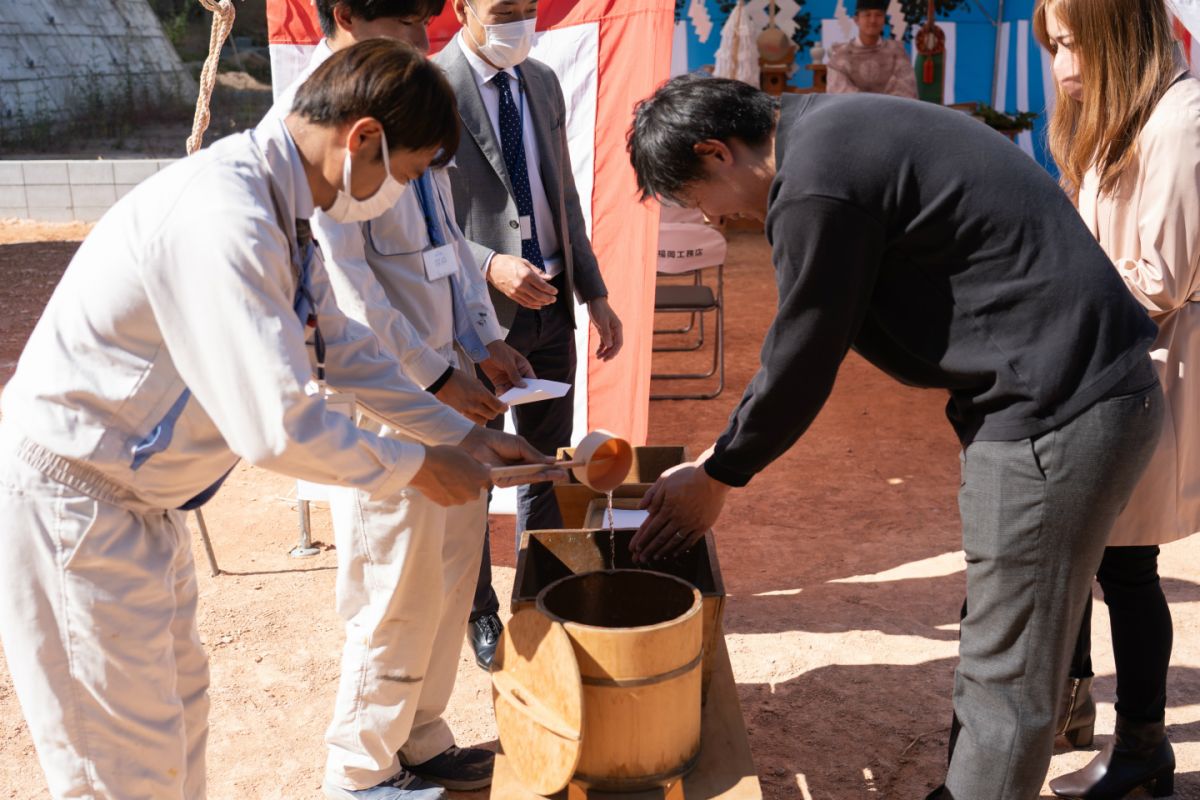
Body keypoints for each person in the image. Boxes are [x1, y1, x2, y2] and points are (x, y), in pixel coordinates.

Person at [0, 40, 554, 800]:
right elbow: (278, 423)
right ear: (363, 138)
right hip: (75, 504)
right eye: (410, 170)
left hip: (134, 504)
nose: (406, 192)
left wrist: (455, 432)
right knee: (118, 769)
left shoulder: (280, 204)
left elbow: (343, 348)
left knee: (172, 732)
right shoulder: (225, 216)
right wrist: (422, 464)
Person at [626, 75, 1162, 800]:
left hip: (1053, 412)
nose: (709, 218)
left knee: (1009, 672)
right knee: (1002, 635)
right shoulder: (824, 129)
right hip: (1065, 392)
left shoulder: (815, 181)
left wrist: (721, 473)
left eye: (694, 200)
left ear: (716, 152)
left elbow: (804, 350)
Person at [267, 3, 536, 797]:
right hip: (389, 395)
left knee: (450, 578)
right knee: (394, 587)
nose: (424, 42)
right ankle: (360, 768)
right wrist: (430, 393)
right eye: (407, 26)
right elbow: (350, 305)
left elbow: (448, 248)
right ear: (347, 17)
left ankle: (419, 739)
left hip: (433, 382)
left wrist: (477, 349)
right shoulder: (318, 147)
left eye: (426, 26)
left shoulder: (404, 114)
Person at [1033, 0, 1200, 796]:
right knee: (1092, 550)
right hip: (1108, 364)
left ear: (1119, 35)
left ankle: (1143, 748)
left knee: (1127, 563)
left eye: (1074, 43)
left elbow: (1159, 281)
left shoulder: (1179, 120)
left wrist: (1044, 309)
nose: (1064, 65)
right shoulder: (1126, 119)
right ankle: (1078, 709)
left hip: (1142, 370)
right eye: (1055, 45)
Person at [431, 0, 624, 670]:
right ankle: (480, 611)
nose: (518, 19)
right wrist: (488, 265)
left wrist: (593, 291)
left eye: (525, 7)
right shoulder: (433, 88)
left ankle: (537, 600)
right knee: (480, 470)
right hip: (475, 322)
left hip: (550, 310)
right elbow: (420, 218)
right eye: (502, 9)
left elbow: (562, 195)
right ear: (462, 8)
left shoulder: (540, 80)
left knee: (545, 466)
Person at [826, 0, 918, 98]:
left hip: (890, 112)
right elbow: (838, 95)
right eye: (867, 15)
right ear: (856, 20)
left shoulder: (897, 53)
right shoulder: (841, 56)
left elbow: (906, 91)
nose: (873, 20)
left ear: (884, 19)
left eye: (878, 15)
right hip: (853, 113)